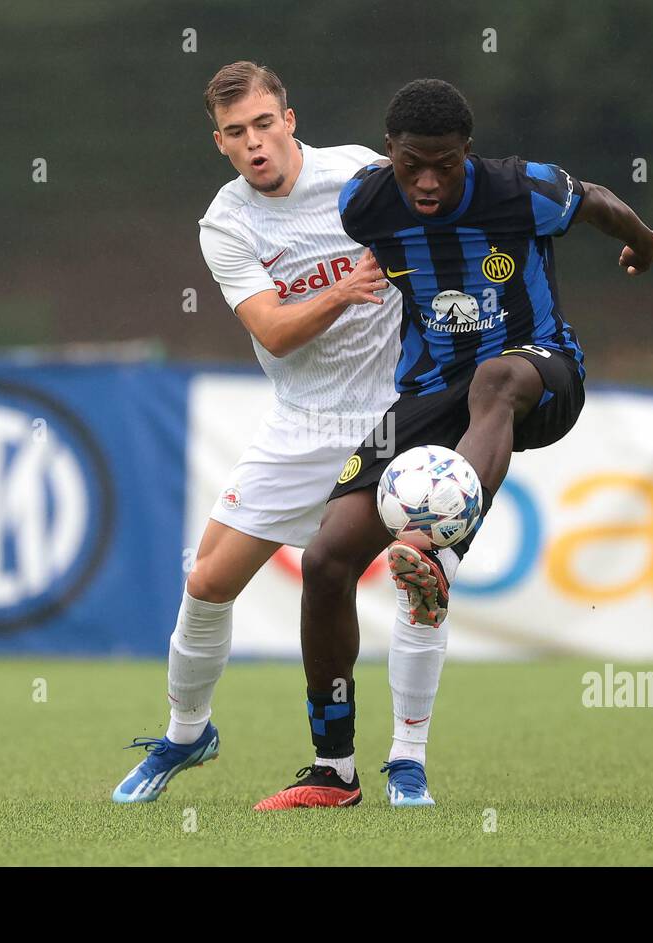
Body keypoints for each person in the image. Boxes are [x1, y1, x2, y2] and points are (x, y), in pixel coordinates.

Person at [253, 78, 653, 808]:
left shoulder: (520, 190)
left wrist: (645, 242)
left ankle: (437, 554)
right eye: (414, 164)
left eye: (445, 162)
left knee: (493, 384)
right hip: (426, 397)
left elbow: (596, 198)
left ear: (468, 154)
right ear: (390, 155)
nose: (430, 179)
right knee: (324, 559)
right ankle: (334, 770)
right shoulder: (365, 204)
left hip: (539, 374)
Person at [113, 63, 455, 810]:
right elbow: (273, 329)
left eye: (264, 124)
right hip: (301, 422)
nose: (255, 143)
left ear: (290, 120)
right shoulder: (226, 222)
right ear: (221, 144)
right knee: (206, 581)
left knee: (420, 574)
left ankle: (407, 762)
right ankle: (186, 732)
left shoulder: (362, 175)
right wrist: (343, 288)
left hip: (396, 416)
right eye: (237, 133)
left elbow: (443, 230)